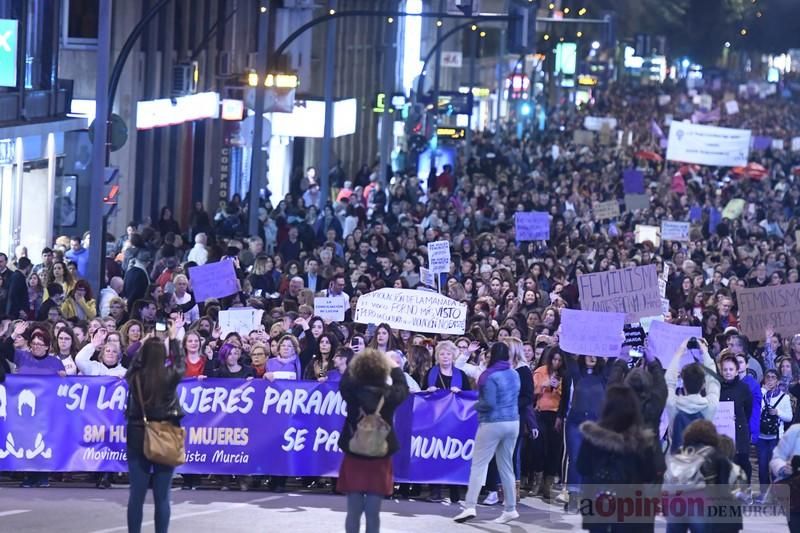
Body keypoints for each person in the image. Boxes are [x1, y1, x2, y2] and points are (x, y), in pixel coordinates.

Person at [337, 348, 409, 533]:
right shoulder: (390, 394)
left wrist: (354, 362)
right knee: (373, 513)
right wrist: (394, 367)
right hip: (380, 454)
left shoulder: (352, 392)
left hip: (355, 453)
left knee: (353, 512)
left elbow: (344, 382)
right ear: (382, 370)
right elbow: (403, 387)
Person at [577, 385, 664, 532]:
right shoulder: (642, 442)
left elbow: (582, 467)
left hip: (600, 505)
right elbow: (650, 474)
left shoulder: (593, 438)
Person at [125, 322, 185, 533]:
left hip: (137, 435)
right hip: (165, 434)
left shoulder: (135, 378)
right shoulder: (169, 377)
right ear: (162, 356)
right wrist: (174, 338)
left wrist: (143, 345)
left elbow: (132, 365)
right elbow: (180, 365)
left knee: (136, 495)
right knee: (162, 497)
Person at [455, 342, 521, 524]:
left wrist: (474, 405)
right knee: (507, 466)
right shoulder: (515, 374)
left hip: (492, 423)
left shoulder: (488, 376)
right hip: (513, 422)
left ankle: (469, 506)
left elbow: (489, 403)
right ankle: (511, 508)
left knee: (478, 465)